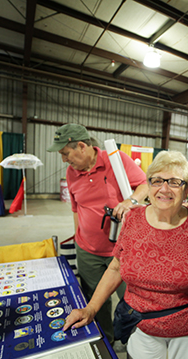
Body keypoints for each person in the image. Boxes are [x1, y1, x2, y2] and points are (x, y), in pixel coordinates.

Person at [63, 151, 188, 359]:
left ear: (187, 190)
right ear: (148, 186)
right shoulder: (134, 219)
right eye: (157, 180)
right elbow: (117, 266)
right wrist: (91, 309)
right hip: (141, 324)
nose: (164, 188)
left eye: (174, 181)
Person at [47, 123, 148, 344]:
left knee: (130, 300)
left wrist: (130, 201)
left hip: (122, 251)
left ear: (82, 146)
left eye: (66, 153)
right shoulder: (72, 172)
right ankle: (106, 341)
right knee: (94, 300)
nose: (64, 159)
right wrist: (78, 238)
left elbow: (145, 184)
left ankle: (131, 341)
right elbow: (76, 208)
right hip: (87, 251)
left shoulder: (115, 159)